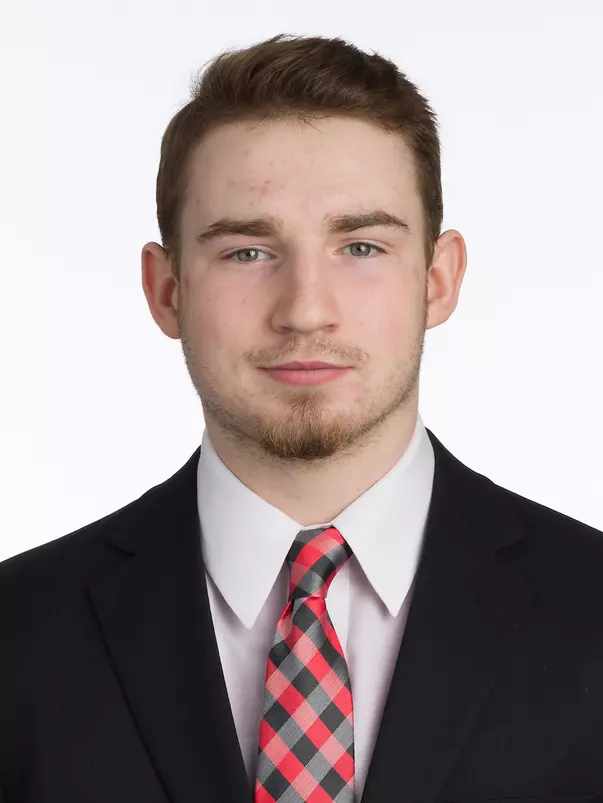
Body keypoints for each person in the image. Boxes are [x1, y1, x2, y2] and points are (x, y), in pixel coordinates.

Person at [1, 32, 602, 803]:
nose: (305, 310)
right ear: (167, 291)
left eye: (360, 245)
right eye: (247, 252)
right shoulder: (17, 636)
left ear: (438, 280)